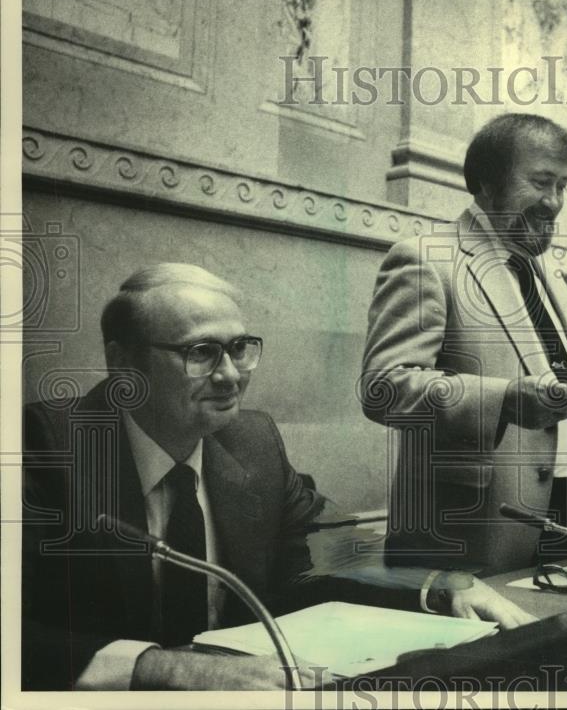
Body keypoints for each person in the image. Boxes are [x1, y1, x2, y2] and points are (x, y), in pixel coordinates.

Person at [22, 264, 533, 691]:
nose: (230, 376)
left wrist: (440, 584)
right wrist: (165, 667)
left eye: (239, 347)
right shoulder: (45, 446)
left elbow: (325, 550)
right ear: (122, 364)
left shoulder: (253, 440)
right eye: (200, 353)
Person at [361, 114, 567, 573]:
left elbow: (556, 386)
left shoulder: (545, 270)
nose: (554, 203)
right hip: (471, 541)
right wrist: (503, 399)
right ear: (486, 183)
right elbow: (383, 388)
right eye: (541, 183)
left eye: (563, 186)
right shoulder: (425, 259)